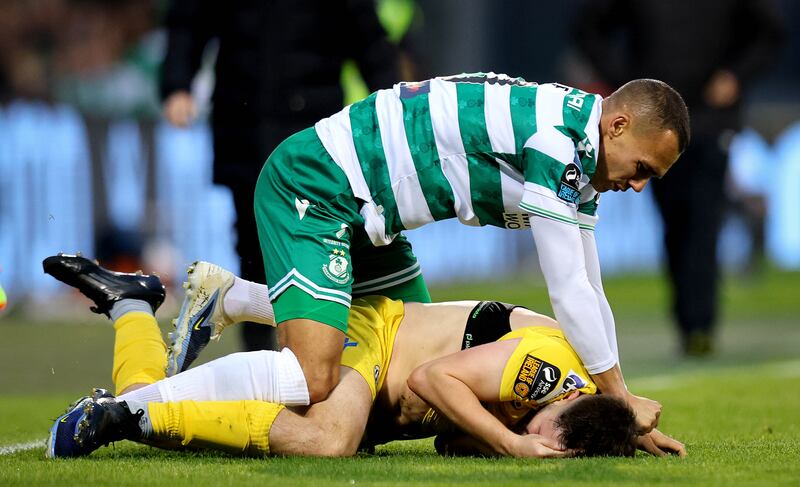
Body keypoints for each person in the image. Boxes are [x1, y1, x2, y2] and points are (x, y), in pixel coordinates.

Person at [167, 72, 689, 433]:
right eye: (643, 168)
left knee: (405, 358)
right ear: (618, 126)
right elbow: (569, 287)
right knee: (314, 377)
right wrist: (619, 400)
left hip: (375, 209)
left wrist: (618, 403)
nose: (640, 186)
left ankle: (231, 299)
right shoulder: (557, 142)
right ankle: (143, 408)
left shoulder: (582, 148)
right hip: (324, 182)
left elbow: (591, 286)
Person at [43, 254, 685, 459]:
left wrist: (627, 427)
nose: (534, 440)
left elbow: (452, 442)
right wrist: (512, 442)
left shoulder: (568, 404)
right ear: (569, 396)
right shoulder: (544, 373)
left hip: (387, 365)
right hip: (378, 342)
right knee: (328, 441)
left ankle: (131, 308)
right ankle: (133, 413)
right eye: (543, 432)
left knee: (329, 431)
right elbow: (434, 378)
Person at [160, 0, 402, 353]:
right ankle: (261, 351)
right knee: (253, 238)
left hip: (316, 128)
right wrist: (177, 84)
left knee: (327, 236)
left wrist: (393, 106)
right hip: (244, 120)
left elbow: (367, 35)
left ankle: (340, 345)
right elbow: (190, 21)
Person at [573, 0, 784, 356]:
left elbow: (771, 34)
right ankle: (688, 320)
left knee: (704, 219)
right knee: (673, 221)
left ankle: (700, 323)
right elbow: (586, 28)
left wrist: (736, 75)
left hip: (709, 120)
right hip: (652, 126)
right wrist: (627, 84)